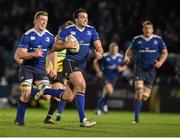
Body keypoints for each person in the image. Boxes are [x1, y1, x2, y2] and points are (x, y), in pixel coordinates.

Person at [37, 8, 104, 127]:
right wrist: (65, 45)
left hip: (82, 66)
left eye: (86, 17)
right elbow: (55, 47)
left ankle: (45, 90)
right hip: (70, 62)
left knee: (68, 97)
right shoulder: (67, 30)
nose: (85, 19)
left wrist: (99, 52)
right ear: (76, 19)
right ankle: (83, 120)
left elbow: (99, 47)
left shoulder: (91, 30)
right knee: (82, 85)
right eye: (82, 17)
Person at [14, 11, 55, 125]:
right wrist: (33, 54)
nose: (44, 22)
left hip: (40, 69)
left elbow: (53, 52)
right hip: (27, 68)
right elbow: (20, 55)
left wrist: (53, 67)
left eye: (46, 21)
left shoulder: (50, 36)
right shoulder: (27, 35)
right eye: (42, 20)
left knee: (47, 97)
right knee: (26, 94)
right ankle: (20, 121)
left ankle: (37, 91)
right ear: (35, 21)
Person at [124, 20, 168, 124]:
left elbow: (165, 53)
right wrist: (127, 57)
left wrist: (160, 62)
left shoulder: (158, 40)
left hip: (151, 70)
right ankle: (136, 118)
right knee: (139, 91)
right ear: (143, 29)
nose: (147, 30)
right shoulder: (137, 39)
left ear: (152, 29)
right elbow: (129, 50)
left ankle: (139, 102)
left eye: (149, 28)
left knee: (144, 97)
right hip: (139, 69)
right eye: (146, 28)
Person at [44, 20, 74, 124]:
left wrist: (66, 76)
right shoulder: (56, 40)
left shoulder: (70, 43)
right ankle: (36, 90)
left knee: (58, 94)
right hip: (49, 69)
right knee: (46, 98)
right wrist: (50, 67)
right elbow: (50, 53)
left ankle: (48, 117)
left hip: (60, 72)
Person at [94, 42, 127, 115]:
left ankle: (103, 105)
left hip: (114, 77)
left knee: (108, 92)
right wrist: (98, 71)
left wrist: (121, 68)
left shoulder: (120, 57)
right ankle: (98, 108)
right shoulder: (105, 56)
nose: (114, 50)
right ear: (110, 49)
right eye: (113, 49)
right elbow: (95, 62)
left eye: (116, 49)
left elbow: (125, 66)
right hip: (105, 76)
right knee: (110, 90)